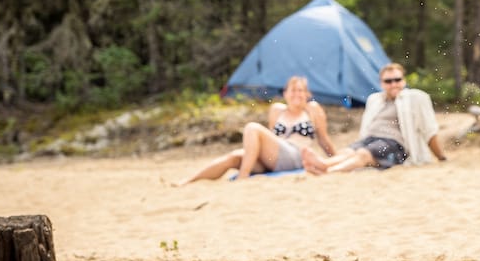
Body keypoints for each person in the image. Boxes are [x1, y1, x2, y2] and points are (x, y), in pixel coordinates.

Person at [176, 76, 337, 186]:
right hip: (275, 156)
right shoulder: (277, 110)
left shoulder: (312, 109)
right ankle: (188, 182)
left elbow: (323, 139)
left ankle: (243, 177)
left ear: (307, 94)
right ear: (285, 94)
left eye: (301, 90)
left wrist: (336, 159)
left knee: (252, 127)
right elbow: (270, 139)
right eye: (293, 90)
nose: (297, 94)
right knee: (235, 157)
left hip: (296, 155)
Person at [302, 63, 447, 174]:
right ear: (381, 83)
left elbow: (429, 130)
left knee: (363, 154)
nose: (393, 84)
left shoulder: (415, 98)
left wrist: (440, 156)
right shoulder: (375, 100)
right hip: (371, 138)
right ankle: (324, 164)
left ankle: (327, 170)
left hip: (394, 143)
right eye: (388, 81)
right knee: (348, 151)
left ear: (403, 81)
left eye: (397, 80)